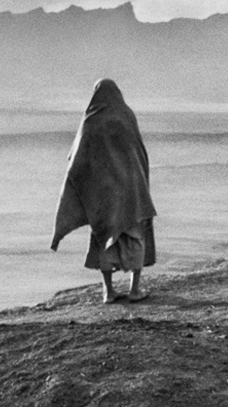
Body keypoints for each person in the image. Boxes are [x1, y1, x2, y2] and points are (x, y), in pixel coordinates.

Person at [51, 78, 156, 304]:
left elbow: (76, 158)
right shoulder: (126, 115)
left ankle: (108, 291)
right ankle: (134, 290)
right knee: (135, 236)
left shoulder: (91, 119)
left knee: (104, 236)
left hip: (103, 192)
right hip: (130, 189)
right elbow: (138, 152)